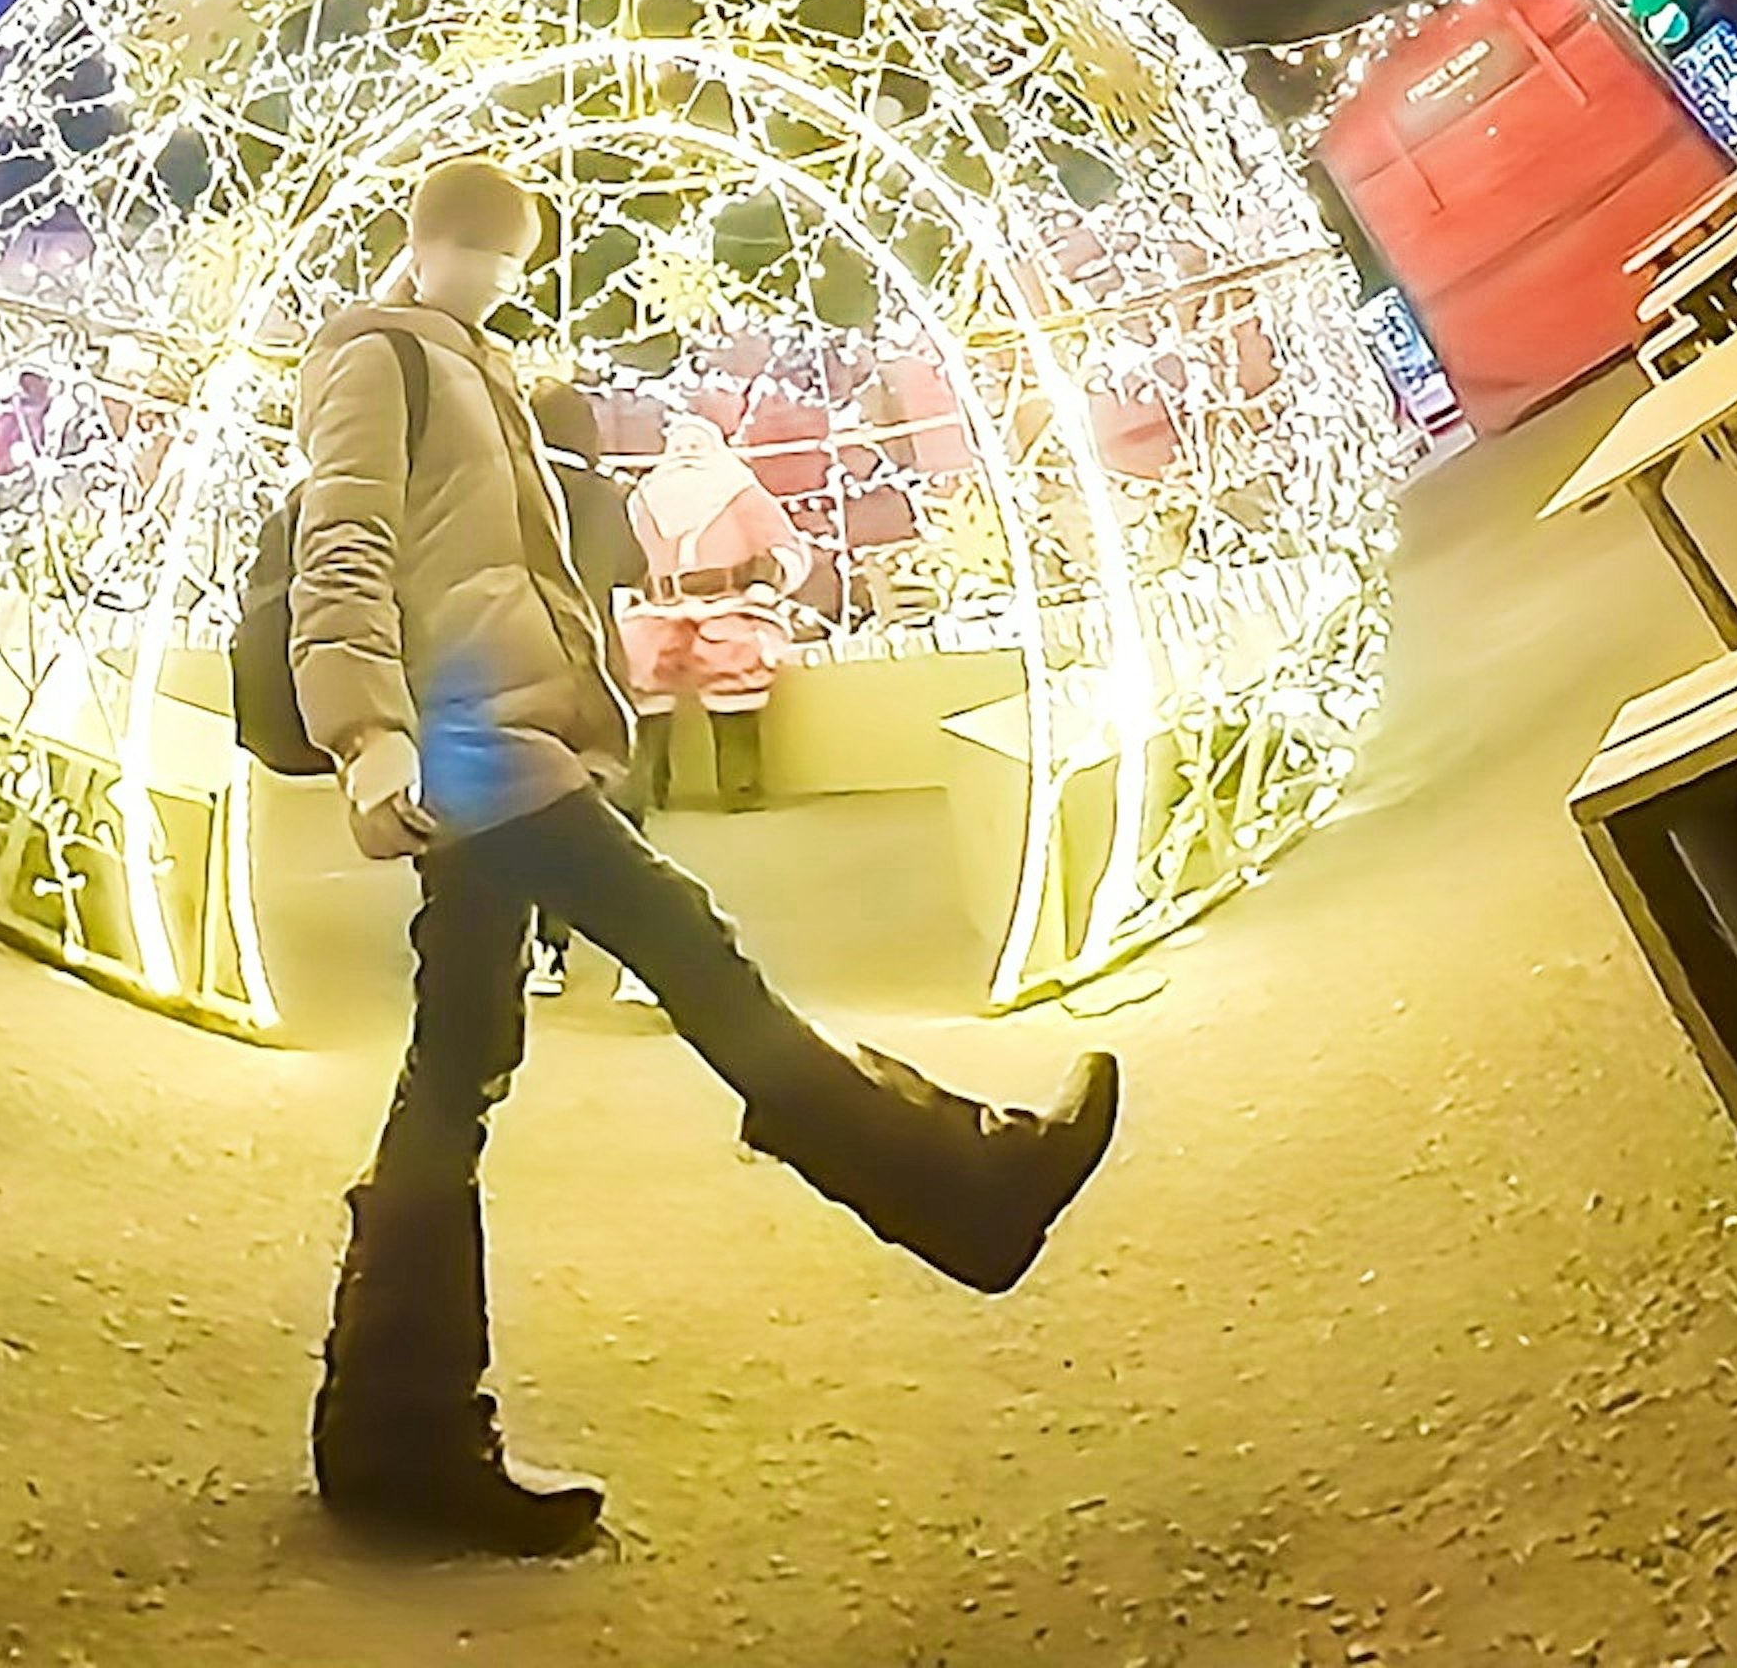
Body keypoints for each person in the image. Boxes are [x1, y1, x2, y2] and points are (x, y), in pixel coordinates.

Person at [288, 153, 1120, 1558]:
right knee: (685, 945)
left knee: (458, 1058)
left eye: (512, 259)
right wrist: (366, 731)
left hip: (501, 739)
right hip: (470, 747)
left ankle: (392, 1427)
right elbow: (344, 542)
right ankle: (949, 1183)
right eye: (482, 251)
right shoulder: (379, 358)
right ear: (430, 244)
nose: (499, 278)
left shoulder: (472, 364)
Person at [620, 404, 808, 813]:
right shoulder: (645, 499)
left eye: (696, 444)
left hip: (729, 605)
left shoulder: (740, 492)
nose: (687, 453)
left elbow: (783, 545)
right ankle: (648, 787)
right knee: (638, 669)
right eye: (680, 444)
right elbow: (627, 553)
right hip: (660, 607)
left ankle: (740, 786)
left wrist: (765, 582)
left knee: (733, 670)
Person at [520, 379, 641, 997]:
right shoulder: (608, 494)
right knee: (619, 802)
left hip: (529, 658)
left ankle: (548, 951)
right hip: (601, 660)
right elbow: (633, 569)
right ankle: (640, 962)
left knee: (537, 805)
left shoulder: (516, 486)